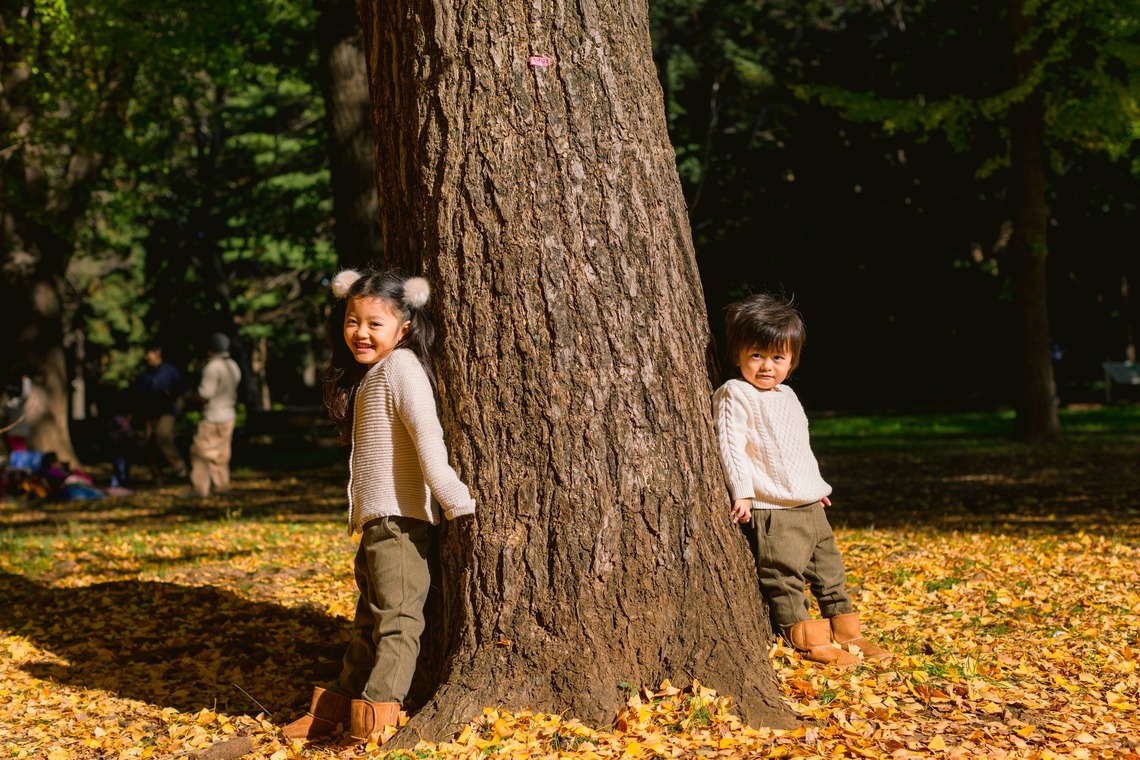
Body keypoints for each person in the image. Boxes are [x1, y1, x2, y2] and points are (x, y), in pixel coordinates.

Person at [282, 269, 476, 745]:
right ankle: (336, 710)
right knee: (367, 620)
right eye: (352, 321)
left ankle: (374, 724)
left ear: (404, 325)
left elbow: (427, 435)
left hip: (401, 521)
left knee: (397, 620)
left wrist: (454, 498)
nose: (361, 333)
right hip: (377, 522)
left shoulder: (403, 368)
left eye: (374, 323)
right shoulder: (375, 374)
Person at [712, 293, 891, 667]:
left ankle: (848, 633)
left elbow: (798, 448)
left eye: (778, 357)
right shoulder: (735, 393)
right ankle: (808, 639)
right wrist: (742, 495)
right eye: (756, 355)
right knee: (785, 575)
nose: (766, 366)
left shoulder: (788, 394)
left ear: (791, 361)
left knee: (830, 572)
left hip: (810, 505)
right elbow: (732, 447)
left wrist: (816, 487)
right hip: (774, 510)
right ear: (738, 354)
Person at [188, 333, 242, 498]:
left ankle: (200, 489)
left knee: (200, 452)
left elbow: (205, 394)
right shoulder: (233, 365)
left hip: (213, 416)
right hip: (229, 414)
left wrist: (189, 397)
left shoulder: (212, 367)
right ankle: (222, 487)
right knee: (221, 454)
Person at [132, 342, 187, 485]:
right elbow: (138, 392)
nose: (146, 357)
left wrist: (171, 395)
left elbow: (180, 389)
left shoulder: (169, 370)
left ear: (157, 353)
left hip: (166, 410)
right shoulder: (145, 374)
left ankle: (178, 466)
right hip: (149, 412)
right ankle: (158, 476)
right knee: (150, 442)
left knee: (162, 436)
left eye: (149, 353)